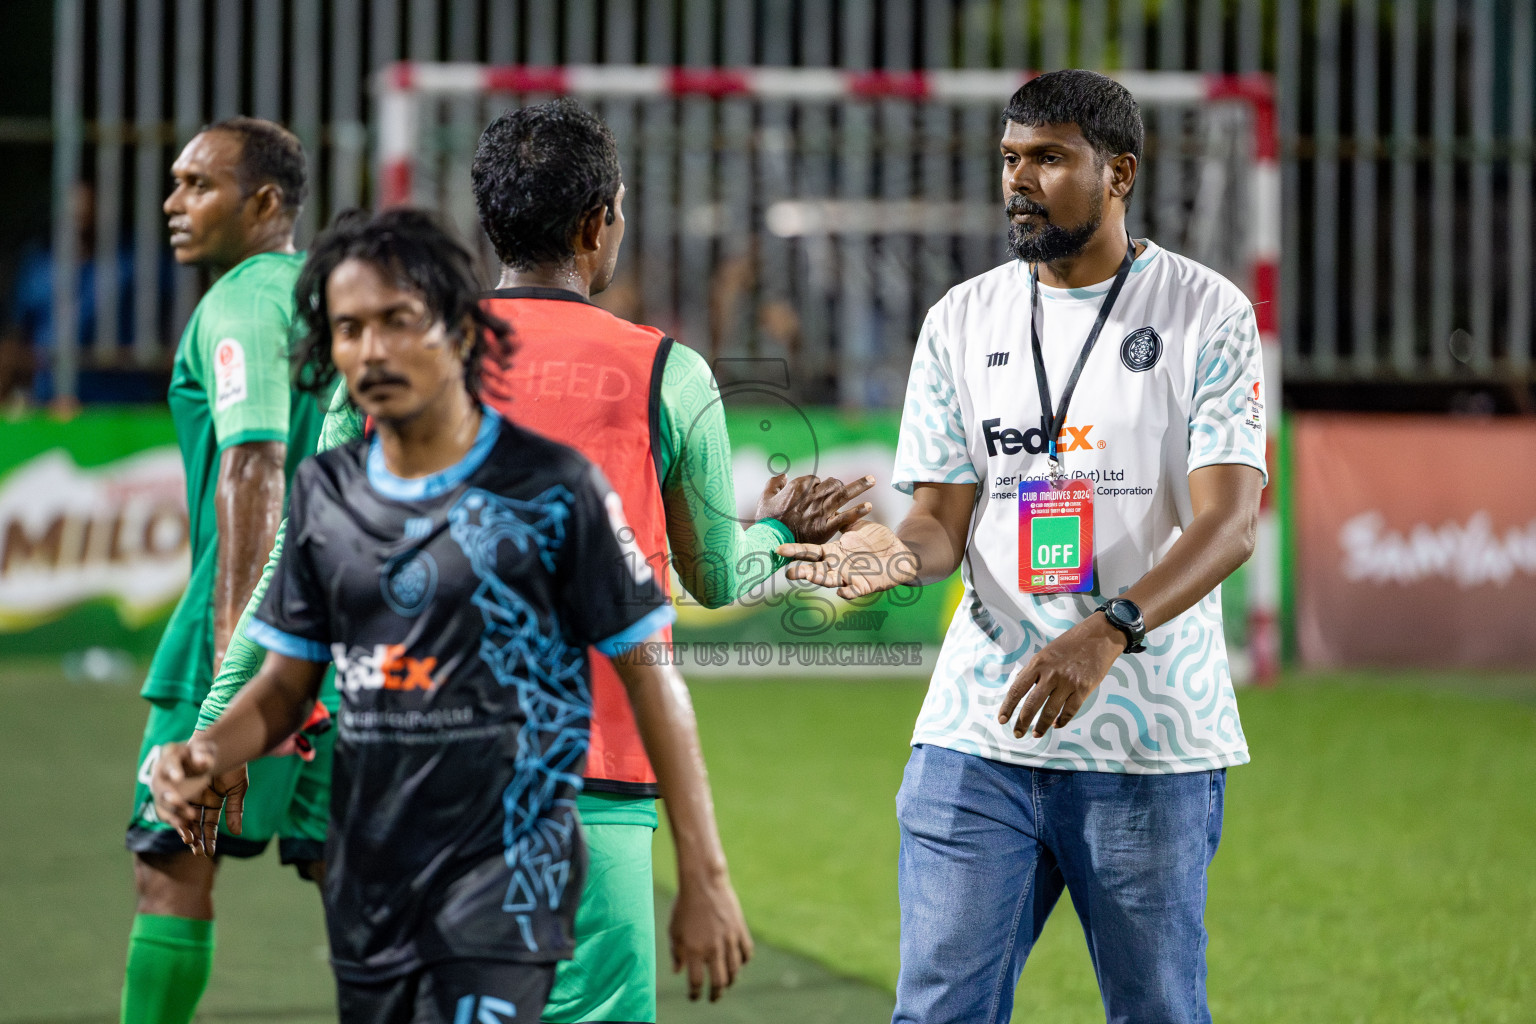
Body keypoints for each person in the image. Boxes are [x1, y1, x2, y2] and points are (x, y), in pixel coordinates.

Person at [153, 208, 735, 1024]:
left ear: (454, 334)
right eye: (348, 329)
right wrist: (211, 739)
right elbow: (289, 670)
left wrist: (704, 874)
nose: (371, 350)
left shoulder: (556, 487)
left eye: (395, 322)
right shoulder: (333, 491)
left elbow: (650, 671)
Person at [779, 70, 1267, 1024]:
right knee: (938, 1012)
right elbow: (937, 529)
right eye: (1010, 158)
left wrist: (1109, 628)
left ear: (1119, 171)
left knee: (1158, 1010)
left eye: (1049, 158)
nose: (1020, 179)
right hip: (979, 729)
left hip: (1149, 735)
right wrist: (879, 556)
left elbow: (1230, 521)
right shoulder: (960, 320)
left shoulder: (1206, 313)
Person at [470, 97, 874, 1023]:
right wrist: (782, 534)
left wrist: (219, 726)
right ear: (596, 222)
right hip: (593, 779)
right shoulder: (664, 371)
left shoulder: (401, 358)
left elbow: (306, 555)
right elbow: (715, 578)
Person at [120, 117, 327, 1024]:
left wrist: (231, 691)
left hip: (242, 637)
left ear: (266, 203)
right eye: (174, 182)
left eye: (198, 184)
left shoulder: (241, 300)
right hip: (359, 649)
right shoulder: (339, 300)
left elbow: (254, 462)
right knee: (362, 895)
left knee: (170, 868)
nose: (173, 202)